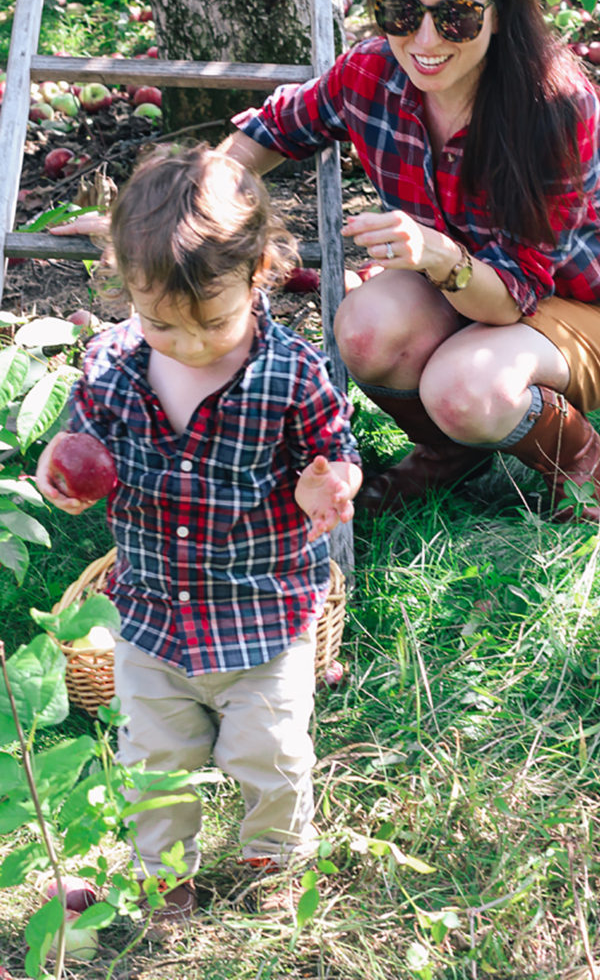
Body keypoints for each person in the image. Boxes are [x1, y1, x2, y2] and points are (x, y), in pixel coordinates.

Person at [217, 0, 600, 522]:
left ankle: (582, 462)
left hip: (581, 303)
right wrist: (181, 202)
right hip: (464, 285)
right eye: (401, 12)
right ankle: (451, 451)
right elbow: (270, 132)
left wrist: (440, 256)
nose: (424, 38)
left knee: (465, 388)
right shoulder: (371, 75)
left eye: (456, 16)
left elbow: (516, 295)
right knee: (365, 331)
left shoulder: (551, 106)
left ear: (498, 12)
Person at [37, 144, 362, 929]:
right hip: (150, 620)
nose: (184, 342)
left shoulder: (293, 376)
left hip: (262, 617)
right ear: (127, 292)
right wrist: (62, 468)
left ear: (260, 276)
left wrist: (328, 484)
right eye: (159, 322)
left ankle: (275, 862)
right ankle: (166, 879)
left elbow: (336, 456)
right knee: (154, 769)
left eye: (211, 322)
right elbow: (83, 443)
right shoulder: (111, 363)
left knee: (275, 757)